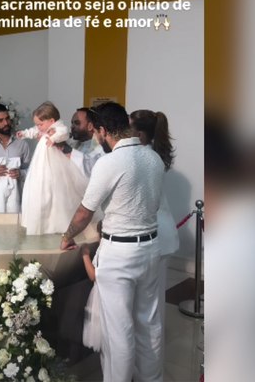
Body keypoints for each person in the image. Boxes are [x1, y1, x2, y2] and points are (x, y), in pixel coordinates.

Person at [60, 102, 165, 382]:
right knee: (149, 324)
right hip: (150, 248)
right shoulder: (153, 158)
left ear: (103, 130)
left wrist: (67, 236)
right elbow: (148, 204)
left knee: (119, 332)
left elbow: (84, 213)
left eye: (96, 132)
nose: (96, 137)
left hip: (120, 253)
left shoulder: (109, 162)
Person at [130, 109, 180, 366]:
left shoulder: (143, 158)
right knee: (150, 307)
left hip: (156, 235)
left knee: (151, 309)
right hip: (159, 233)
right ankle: (146, 362)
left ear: (139, 133)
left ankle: (150, 366)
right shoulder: (152, 155)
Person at [17, 101, 89, 235]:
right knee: (38, 185)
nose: (38, 127)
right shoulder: (42, 129)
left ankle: (56, 222)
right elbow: (33, 131)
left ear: (51, 121)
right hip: (41, 162)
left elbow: (64, 133)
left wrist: (54, 138)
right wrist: (24, 133)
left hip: (54, 161)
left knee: (55, 187)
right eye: (37, 124)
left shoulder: (58, 127)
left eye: (40, 124)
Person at [81, 221, 102, 353]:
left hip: (100, 297)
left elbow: (93, 275)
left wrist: (85, 255)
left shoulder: (103, 251)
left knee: (100, 327)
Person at [66, 107, 105, 177]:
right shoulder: (71, 145)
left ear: (90, 126)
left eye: (77, 123)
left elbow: (89, 166)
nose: (72, 127)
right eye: (72, 123)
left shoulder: (101, 147)